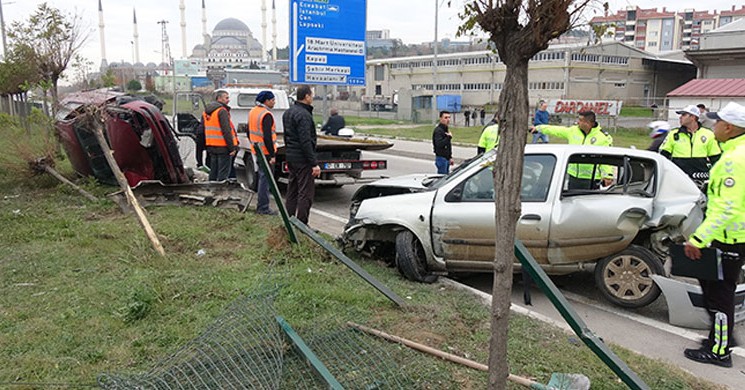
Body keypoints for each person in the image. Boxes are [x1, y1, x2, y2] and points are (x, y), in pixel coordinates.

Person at [682, 102, 745, 368]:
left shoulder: (734, 160)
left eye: (716, 122)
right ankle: (722, 338)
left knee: (719, 296)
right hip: (730, 237)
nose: (713, 126)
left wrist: (698, 239)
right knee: (714, 291)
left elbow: (726, 207)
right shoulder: (735, 152)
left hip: (728, 239)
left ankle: (719, 351)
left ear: (728, 127)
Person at [530, 110, 613, 189]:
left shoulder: (603, 137)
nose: (578, 122)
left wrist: (607, 175)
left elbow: (607, 159)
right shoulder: (573, 131)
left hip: (591, 179)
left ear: (588, 123)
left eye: (580, 120)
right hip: (573, 177)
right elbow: (556, 130)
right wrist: (539, 128)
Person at [283, 85, 321, 224]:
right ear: (306, 96)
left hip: (291, 157)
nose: (312, 98)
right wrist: (314, 163)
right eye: (312, 95)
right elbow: (305, 141)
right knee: (305, 193)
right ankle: (302, 225)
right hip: (303, 159)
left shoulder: (288, 112)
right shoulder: (304, 115)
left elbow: (288, 137)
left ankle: (289, 220)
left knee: (292, 191)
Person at [659, 105, 721, 182]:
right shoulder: (673, 134)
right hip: (679, 179)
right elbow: (663, 156)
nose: (680, 117)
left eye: (684, 115)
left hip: (701, 179)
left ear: (693, 117)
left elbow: (716, 159)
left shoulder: (708, 134)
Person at [249, 90, 278, 215]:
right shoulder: (266, 115)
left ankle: (262, 206)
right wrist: (272, 154)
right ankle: (263, 208)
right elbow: (267, 137)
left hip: (257, 150)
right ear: (266, 101)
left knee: (262, 178)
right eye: (272, 100)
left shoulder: (253, 111)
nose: (274, 102)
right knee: (265, 180)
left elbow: (248, 130)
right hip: (265, 152)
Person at [203, 90, 238, 181]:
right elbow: (226, 131)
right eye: (226, 98)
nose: (228, 100)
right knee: (223, 175)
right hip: (223, 147)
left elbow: (203, 129)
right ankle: (220, 193)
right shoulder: (222, 111)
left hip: (212, 146)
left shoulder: (207, 112)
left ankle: (211, 192)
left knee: (213, 173)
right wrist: (232, 148)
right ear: (219, 98)